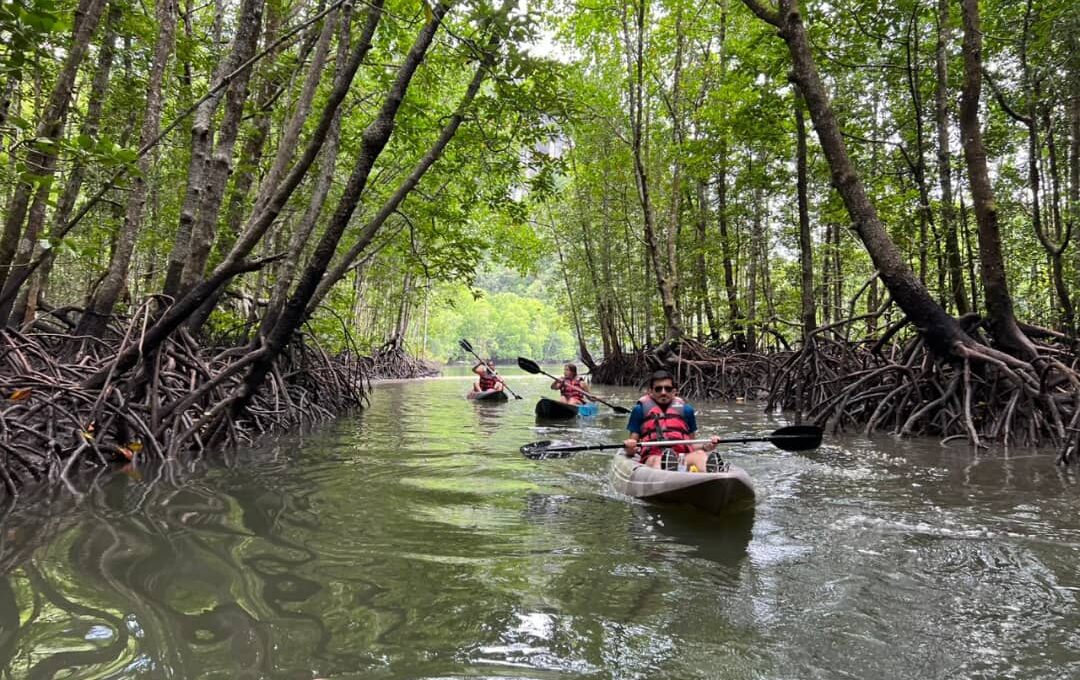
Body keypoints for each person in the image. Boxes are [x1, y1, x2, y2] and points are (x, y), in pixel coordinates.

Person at [622, 370, 722, 472]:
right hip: (653, 457)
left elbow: (690, 444)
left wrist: (706, 446)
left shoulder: (687, 410)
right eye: (658, 389)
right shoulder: (639, 410)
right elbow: (633, 444)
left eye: (668, 389)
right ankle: (668, 476)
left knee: (700, 455)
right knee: (658, 460)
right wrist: (630, 447)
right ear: (650, 391)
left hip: (682, 457)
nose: (663, 392)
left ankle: (713, 476)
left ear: (674, 392)